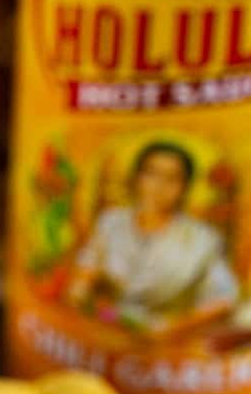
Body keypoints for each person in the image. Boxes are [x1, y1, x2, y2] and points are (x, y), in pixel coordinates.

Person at [67, 140, 239, 337]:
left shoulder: (202, 239)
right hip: (107, 328)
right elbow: (88, 265)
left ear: (184, 187)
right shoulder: (112, 222)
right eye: (151, 174)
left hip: (170, 343)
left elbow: (224, 299)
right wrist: (81, 291)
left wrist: (172, 327)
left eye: (172, 178)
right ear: (137, 178)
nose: (159, 186)